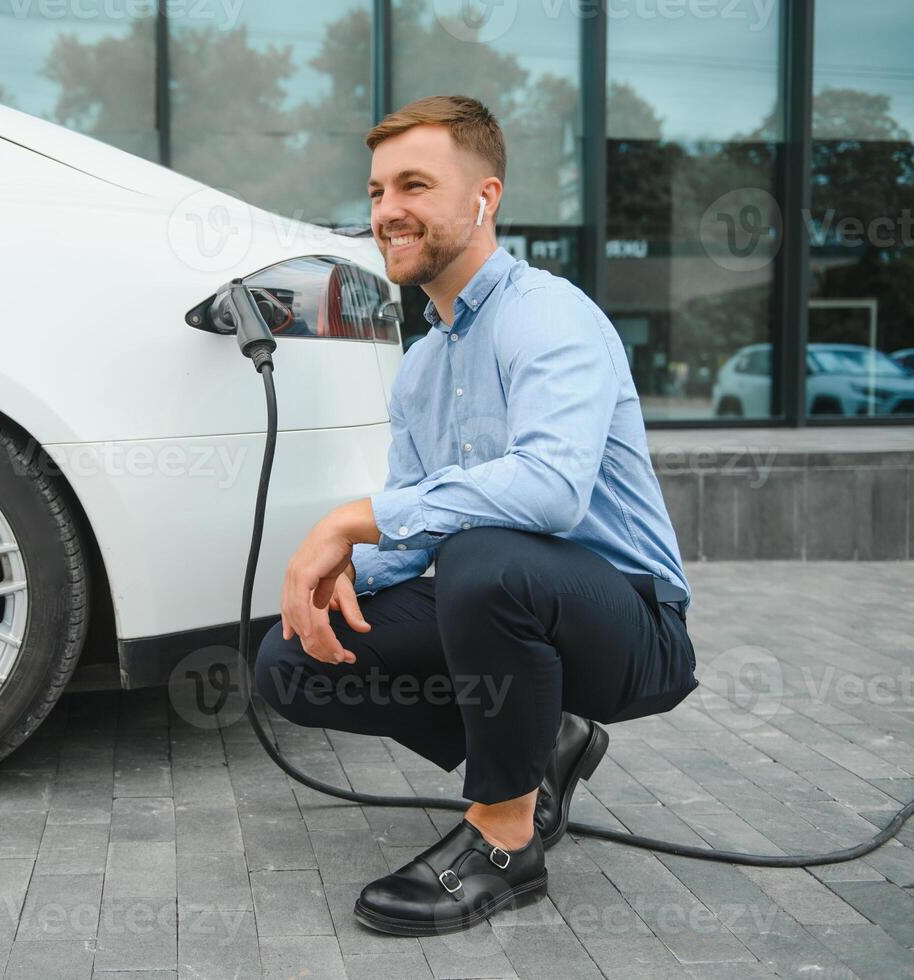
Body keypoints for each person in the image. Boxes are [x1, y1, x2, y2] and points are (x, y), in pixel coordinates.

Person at [253, 95, 699, 936]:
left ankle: (504, 842)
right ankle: (545, 743)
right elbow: (417, 524)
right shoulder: (422, 366)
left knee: (485, 560)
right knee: (291, 659)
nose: (387, 212)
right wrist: (338, 573)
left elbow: (549, 492)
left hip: (633, 625)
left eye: (414, 186)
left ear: (483, 198)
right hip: (508, 602)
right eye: (378, 191)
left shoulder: (549, 316)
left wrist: (349, 521)